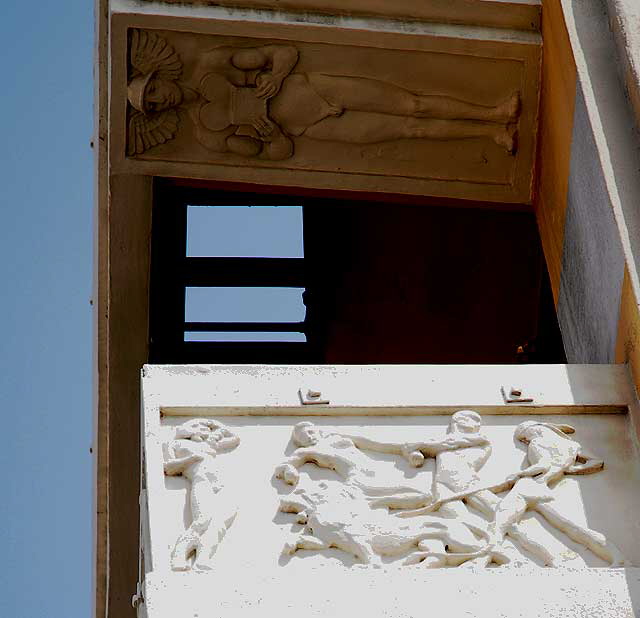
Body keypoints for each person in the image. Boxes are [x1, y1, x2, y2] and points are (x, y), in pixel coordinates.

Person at [128, 36, 521, 159]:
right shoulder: (205, 133)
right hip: (312, 126)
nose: (161, 100)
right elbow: (276, 154)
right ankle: (491, 135)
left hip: (314, 88)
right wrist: (269, 135)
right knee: (410, 129)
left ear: (159, 78)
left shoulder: (214, 65)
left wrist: (276, 76)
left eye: (154, 92)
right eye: (154, 106)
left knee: (412, 102)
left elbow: (284, 54)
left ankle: (493, 111)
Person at [163, 419, 240, 571]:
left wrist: (211, 422)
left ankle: (203, 559)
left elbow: (235, 438)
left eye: (206, 428)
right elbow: (169, 467)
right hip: (202, 480)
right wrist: (192, 459)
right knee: (203, 520)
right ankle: (179, 554)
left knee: (221, 522)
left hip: (220, 483)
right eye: (200, 427)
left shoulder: (209, 445)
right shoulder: (176, 444)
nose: (205, 429)